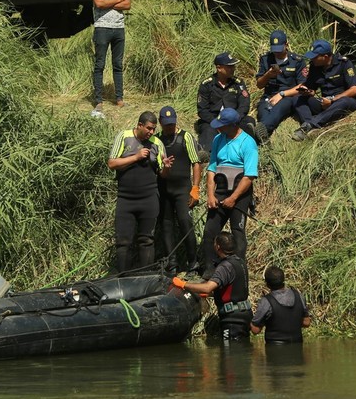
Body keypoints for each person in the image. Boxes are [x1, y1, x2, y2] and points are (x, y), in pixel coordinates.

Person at [108, 111, 173, 274]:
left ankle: (145, 278)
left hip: (149, 199)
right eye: (149, 128)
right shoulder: (124, 136)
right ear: (139, 125)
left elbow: (163, 175)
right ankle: (122, 277)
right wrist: (135, 157)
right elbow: (111, 163)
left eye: (153, 129)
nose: (151, 132)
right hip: (126, 199)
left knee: (146, 240)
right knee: (123, 241)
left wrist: (166, 167)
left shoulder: (156, 143)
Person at [201, 107, 257, 278]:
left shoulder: (248, 143)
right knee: (210, 231)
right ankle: (208, 269)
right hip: (221, 190)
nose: (218, 128)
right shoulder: (218, 139)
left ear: (233, 125)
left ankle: (238, 271)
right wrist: (210, 195)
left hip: (239, 194)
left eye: (222, 125)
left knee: (238, 232)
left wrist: (233, 198)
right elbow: (211, 169)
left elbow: (249, 176)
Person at [172, 232, 251, 342]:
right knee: (242, 349)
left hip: (232, 319)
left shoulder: (224, 267)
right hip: (245, 314)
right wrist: (212, 294)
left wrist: (183, 284)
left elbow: (207, 287)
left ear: (218, 247)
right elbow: (233, 288)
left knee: (229, 353)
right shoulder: (240, 262)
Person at [155, 106, 203, 273]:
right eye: (166, 124)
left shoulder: (185, 137)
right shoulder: (156, 140)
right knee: (166, 226)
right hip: (164, 190)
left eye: (172, 124)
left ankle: (193, 262)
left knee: (185, 223)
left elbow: (196, 163)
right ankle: (172, 263)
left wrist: (195, 188)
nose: (170, 127)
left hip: (182, 189)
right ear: (160, 122)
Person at [290, 39, 356, 141]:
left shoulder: (344, 63)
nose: (312, 59)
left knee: (344, 101)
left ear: (325, 56)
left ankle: (311, 124)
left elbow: (355, 89)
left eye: (315, 57)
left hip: (345, 102)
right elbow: (313, 89)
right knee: (297, 98)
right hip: (325, 103)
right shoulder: (315, 66)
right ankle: (309, 126)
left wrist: (333, 100)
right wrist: (308, 92)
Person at [89, 0, 130, 115]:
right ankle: (98, 100)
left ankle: (119, 98)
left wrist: (107, 1)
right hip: (102, 27)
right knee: (100, 64)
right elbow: (98, 3)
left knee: (117, 65)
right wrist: (117, 0)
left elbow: (127, 4)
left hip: (118, 27)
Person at [195, 52, 257, 153]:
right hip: (215, 120)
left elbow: (244, 105)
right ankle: (207, 153)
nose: (233, 69)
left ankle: (253, 144)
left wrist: (235, 119)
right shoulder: (206, 84)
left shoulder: (238, 83)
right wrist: (218, 123)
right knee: (207, 129)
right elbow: (202, 110)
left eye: (233, 66)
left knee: (248, 122)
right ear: (219, 68)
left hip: (234, 119)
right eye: (229, 67)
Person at [254, 29, 307, 138]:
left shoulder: (297, 61)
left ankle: (259, 130)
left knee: (278, 109)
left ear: (286, 45)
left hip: (288, 96)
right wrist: (267, 75)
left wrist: (282, 94)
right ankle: (263, 137)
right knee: (263, 111)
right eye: (274, 50)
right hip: (268, 95)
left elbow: (302, 85)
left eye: (279, 50)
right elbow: (259, 85)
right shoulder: (265, 59)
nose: (277, 53)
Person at [250, 266, 311, 343]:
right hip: (297, 346)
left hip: (275, 349)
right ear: (283, 280)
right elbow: (307, 322)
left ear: (267, 284)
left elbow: (255, 330)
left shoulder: (266, 301)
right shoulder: (299, 296)